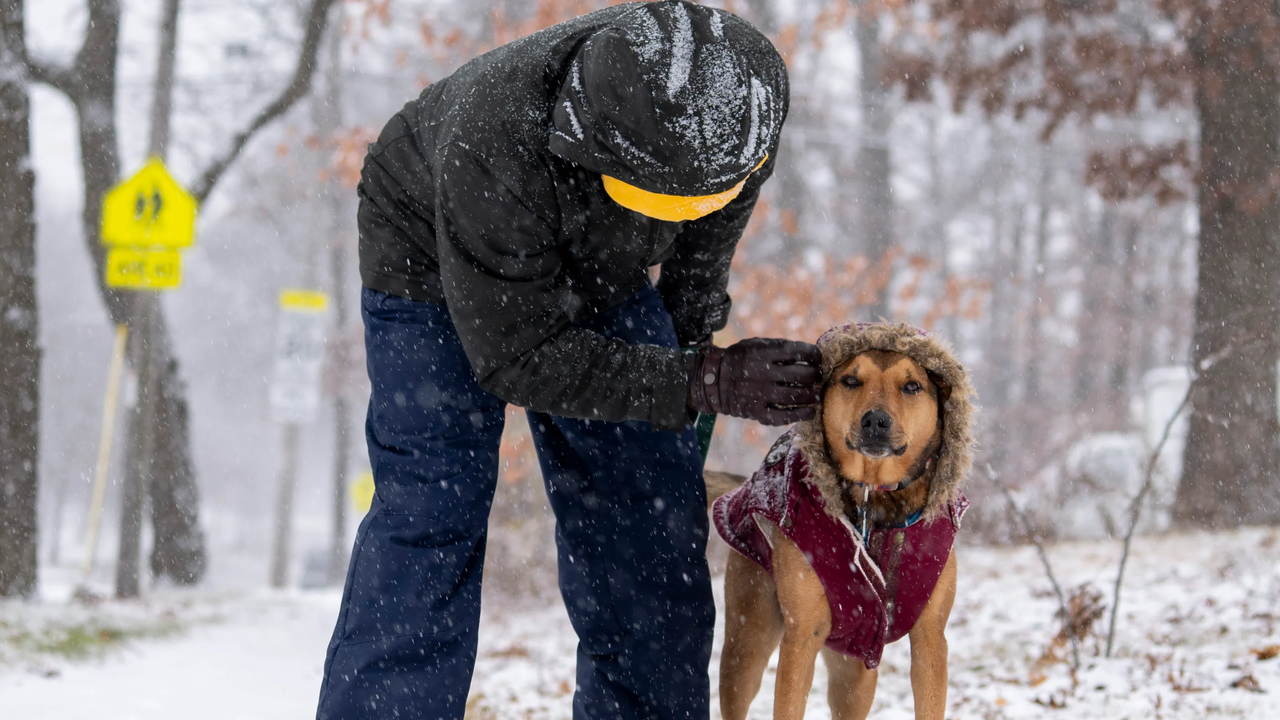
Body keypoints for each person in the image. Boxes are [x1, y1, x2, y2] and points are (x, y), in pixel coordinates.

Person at [317, 3, 821, 719]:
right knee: (433, 505)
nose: (679, 217)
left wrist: (692, 368)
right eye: (659, 203)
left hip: (600, 261)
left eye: (692, 203)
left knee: (646, 517)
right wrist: (702, 380)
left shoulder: (743, 111)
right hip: (431, 252)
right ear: (595, 147)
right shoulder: (494, 144)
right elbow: (518, 358)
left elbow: (698, 264)